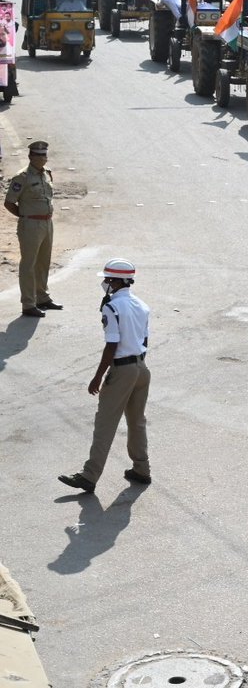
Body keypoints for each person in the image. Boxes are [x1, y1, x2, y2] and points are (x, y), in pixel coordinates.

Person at [57, 259, 153, 494]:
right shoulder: (142, 304)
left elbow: (111, 346)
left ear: (116, 281)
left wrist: (98, 377)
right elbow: (145, 340)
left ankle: (89, 476)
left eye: (107, 279)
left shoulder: (112, 307)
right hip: (141, 368)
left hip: (122, 370)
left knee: (105, 424)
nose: (105, 283)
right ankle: (142, 469)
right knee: (137, 422)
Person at [5, 141, 59, 318]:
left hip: (47, 223)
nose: (43, 158)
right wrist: (24, 216)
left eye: (44, 155)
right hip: (31, 225)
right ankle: (28, 303)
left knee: (44, 261)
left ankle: (42, 297)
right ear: (30, 157)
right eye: (39, 155)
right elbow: (9, 202)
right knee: (29, 264)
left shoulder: (47, 174)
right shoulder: (22, 177)